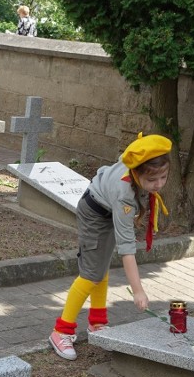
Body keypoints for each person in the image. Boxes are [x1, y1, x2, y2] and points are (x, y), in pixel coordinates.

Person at [48, 133, 172, 361]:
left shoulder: (135, 158)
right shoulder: (124, 195)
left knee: (100, 269)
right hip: (94, 213)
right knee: (90, 274)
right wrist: (138, 290)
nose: (159, 184)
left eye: (163, 177)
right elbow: (127, 249)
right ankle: (61, 331)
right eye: (152, 180)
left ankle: (97, 322)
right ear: (136, 172)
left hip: (106, 207)